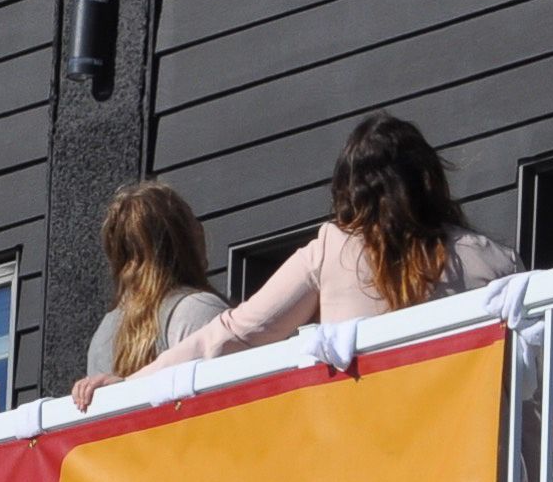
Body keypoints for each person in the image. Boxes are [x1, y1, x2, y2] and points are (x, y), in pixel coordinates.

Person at [71, 115, 519, 408]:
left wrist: (131, 387)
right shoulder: (495, 264)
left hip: (371, 473)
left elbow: (232, 335)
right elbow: (526, 392)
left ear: (348, 188)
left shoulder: (331, 248)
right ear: (430, 180)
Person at [87, 180, 226, 391]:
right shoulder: (198, 310)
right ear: (183, 238)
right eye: (193, 222)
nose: (201, 230)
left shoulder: (103, 336)